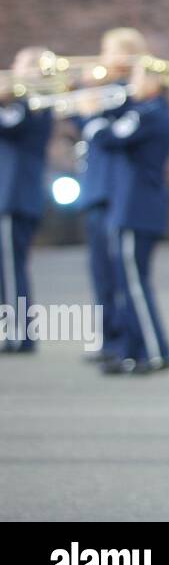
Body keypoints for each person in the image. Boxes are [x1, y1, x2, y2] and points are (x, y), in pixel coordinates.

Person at [82, 57, 169, 374]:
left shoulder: (149, 114)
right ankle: (134, 350)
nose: (132, 85)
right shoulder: (142, 113)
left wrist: (91, 114)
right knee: (128, 283)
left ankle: (153, 351)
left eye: (138, 78)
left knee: (135, 285)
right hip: (130, 208)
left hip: (137, 209)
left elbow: (109, 137)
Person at [72, 28, 147, 363]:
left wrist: (93, 100)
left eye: (110, 51)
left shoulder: (131, 92)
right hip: (96, 187)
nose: (103, 58)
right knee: (100, 272)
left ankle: (123, 341)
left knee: (117, 273)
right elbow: (84, 124)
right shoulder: (106, 91)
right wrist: (80, 95)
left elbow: (111, 130)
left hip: (115, 191)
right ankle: (108, 338)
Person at [0, 47, 55, 353]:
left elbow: (9, 124)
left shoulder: (33, 103)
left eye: (20, 64)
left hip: (15, 195)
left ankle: (18, 333)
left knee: (10, 267)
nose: (12, 69)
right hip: (11, 194)